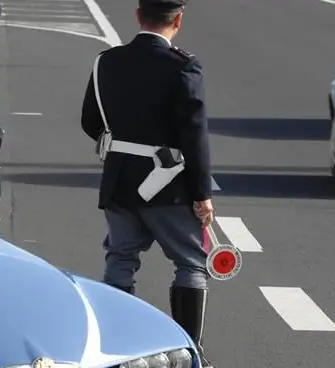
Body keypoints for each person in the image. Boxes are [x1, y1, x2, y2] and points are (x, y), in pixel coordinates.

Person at [81, 0, 215, 366]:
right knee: (190, 264)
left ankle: (116, 352)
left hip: (120, 180)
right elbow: (194, 134)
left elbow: (91, 121)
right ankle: (191, 355)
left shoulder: (106, 61)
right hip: (169, 185)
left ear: (139, 16)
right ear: (179, 19)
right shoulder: (184, 65)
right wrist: (202, 194)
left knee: (120, 260)